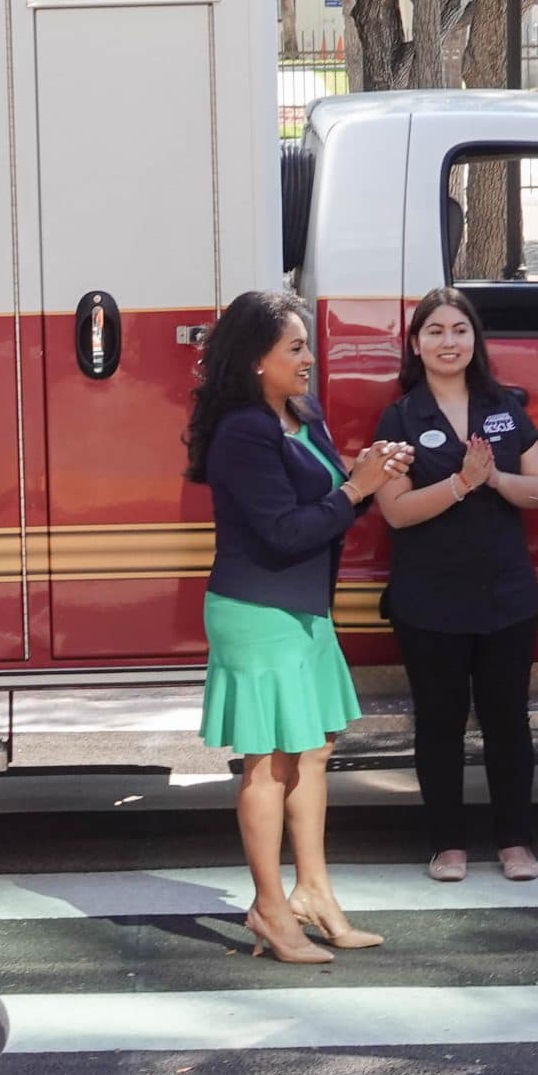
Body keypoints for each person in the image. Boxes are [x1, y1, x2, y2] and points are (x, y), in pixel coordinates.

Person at [186, 289, 413, 964]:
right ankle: (269, 910)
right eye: (295, 347)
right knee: (266, 765)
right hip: (258, 611)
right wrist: (357, 487)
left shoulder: (299, 416)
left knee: (312, 750)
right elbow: (285, 532)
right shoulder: (243, 432)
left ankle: (313, 893)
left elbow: (327, 509)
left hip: (304, 609)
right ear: (258, 360)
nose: (310, 358)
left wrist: (366, 479)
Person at [371, 288, 538, 883]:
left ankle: (515, 842)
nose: (449, 342)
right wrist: (460, 484)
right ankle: (447, 844)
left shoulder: (503, 407)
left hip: (507, 597)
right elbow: (395, 512)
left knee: (507, 722)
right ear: (416, 344)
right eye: (435, 332)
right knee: (439, 723)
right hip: (429, 601)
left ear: (475, 341)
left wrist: (492, 476)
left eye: (460, 331)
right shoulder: (400, 417)